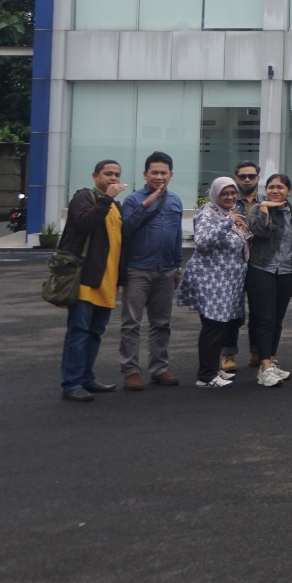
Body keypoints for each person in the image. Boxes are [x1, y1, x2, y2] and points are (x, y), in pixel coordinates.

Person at [58, 160, 128, 401]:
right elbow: (86, 222)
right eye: (108, 174)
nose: (113, 178)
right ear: (95, 175)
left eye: (117, 174)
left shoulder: (115, 205)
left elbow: (120, 244)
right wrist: (106, 198)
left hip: (107, 281)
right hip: (85, 279)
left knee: (95, 333)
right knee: (78, 332)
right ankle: (72, 383)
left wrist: (120, 280)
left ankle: (87, 377)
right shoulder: (84, 197)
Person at [119, 151, 184, 390]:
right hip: (137, 269)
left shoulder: (175, 200)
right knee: (131, 323)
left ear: (171, 175)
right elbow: (125, 230)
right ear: (145, 174)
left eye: (163, 173)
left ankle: (159, 368)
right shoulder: (132, 200)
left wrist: (177, 266)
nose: (159, 177)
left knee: (162, 323)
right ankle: (131, 371)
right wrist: (145, 205)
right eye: (154, 172)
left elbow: (177, 236)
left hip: (165, 270)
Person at [178, 177, 249, 388]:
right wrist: (228, 222)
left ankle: (213, 369)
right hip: (211, 280)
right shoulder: (209, 213)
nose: (230, 197)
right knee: (213, 327)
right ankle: (206, 376)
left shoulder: (227, 213)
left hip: (226, 282)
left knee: (221, 327)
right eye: (224, 194)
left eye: (233, 193)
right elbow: (202, 243)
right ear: (215, 194)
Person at [245, 173, 292, 387]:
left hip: (287, 271)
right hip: (262, 269)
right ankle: (264, 368)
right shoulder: (258, 209)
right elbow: (260, 232)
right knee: (265, 319)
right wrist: (264, 208)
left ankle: (270, 359)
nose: (275, 191)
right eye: (271, 187)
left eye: (280, 187)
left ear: (289, 191)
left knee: (277, 319)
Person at [219, 159, 261, 372]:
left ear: (258, 178)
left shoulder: (266, 201)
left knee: (259, 311)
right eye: (242, 176)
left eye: (251, 176)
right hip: (232, 265)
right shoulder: (227, 202)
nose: (247, 179)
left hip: (260, 263)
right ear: (236, 178)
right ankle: (228, 354)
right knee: (232, 311)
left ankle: (257, 352)